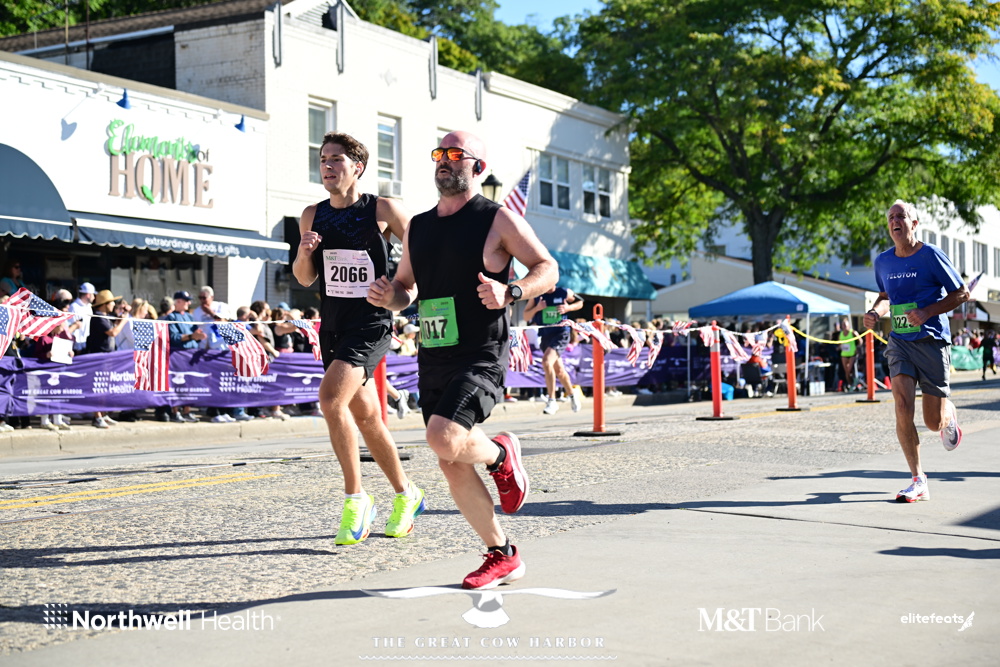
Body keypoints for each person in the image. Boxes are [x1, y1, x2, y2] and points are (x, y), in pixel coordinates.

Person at [367, 130, 558, 589]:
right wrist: (388, 296)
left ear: (478, 168)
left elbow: (547, 268)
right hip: (435, 354)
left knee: (444, 437)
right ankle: (502, 553)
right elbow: (406, 288)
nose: (445, 161)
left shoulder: (497, 219)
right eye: (440, 153)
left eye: (456, 154)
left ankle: (500, 455)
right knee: (450, 459)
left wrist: (511, 291)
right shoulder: (419, 226)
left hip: (480, 353)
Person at [292, 131, 424, 545]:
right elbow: (305, 278)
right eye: (323, 159)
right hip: (332, 324)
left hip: (370, 324)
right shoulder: (312, 215)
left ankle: (356, 498)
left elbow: (422, 254)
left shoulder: (382, 209)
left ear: (357, 167)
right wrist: (304, 253)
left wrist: (400, 292)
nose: (327, 166)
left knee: (330, 399)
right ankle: (407, 493)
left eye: (336, 159)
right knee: (366, 416)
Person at [864, 199, 969, 503]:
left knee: (932, 422)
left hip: (931, 341)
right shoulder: (883, 261)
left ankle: (948, 415)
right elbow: (885, 296)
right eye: (890, 217)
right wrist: (875, 312)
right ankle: (918, 479)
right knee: (901, 405)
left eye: (901, 216)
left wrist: (927, 312)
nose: (894, 221)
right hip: (900, 342)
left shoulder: (930, 255)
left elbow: (962, 293)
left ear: (914, 223)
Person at [522, 285, 583, 414]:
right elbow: (526, 317)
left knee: (546, 362)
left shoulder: (564, 292)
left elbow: (580, 302)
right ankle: (572, 395)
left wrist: (568, 308)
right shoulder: (537, 295)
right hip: (545, 335)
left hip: (561, 333)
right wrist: (537, 308)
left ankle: (552, 400)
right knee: (559, 370)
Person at [158, 291, 207, 423]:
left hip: (190, 354)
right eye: (186, 300)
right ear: (178, 301)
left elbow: (196, 334)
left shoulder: (190, 317)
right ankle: (175, 412)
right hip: (178, 355)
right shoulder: (171, 317)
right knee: (177, 384)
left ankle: (187, 411)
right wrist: (192, 336)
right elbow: (174, 338)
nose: (188, 303)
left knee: (189, 384)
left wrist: (199, 336)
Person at [85, 290, 130, 429]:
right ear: (105, 304)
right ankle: (97, 416)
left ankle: (103, 414)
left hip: (107, 357)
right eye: (112, 303)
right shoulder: (98, 317)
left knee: (105, 387)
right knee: (98, 387)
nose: (113, 305)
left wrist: (121, 316)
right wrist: (123, 322)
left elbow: (114, 324)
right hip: (99, 357)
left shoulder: (105, 317)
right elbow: (113, 332)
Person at [69, 283, 97, 353]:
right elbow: (73, 329)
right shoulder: (74, 307)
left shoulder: (89, 306)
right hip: (77, 347)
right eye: (93, 295)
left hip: (87, 345)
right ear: (88, 295)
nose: (94, 297)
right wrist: (77, 347)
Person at [837, 316, 860, 391]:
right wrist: (839, 347)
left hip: (852, 354)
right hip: (844, 354)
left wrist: (857, 348)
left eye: (845, 325)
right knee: (846, 371)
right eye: (843, 325)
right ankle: (850, 384)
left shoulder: (853, 333)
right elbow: (839, 343)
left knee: (849, 369)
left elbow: (860, 341)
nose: (844, 326)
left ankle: (853, 383)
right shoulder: (841, 334)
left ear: (849, 325)